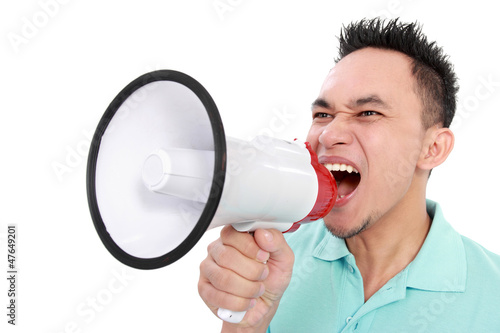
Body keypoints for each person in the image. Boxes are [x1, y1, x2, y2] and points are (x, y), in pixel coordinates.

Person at [197, 18, 500, 332]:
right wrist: (246, 324)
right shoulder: (272, 260)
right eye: (323, 115)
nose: (328, 134)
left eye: (368, 113)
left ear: (433, 148)